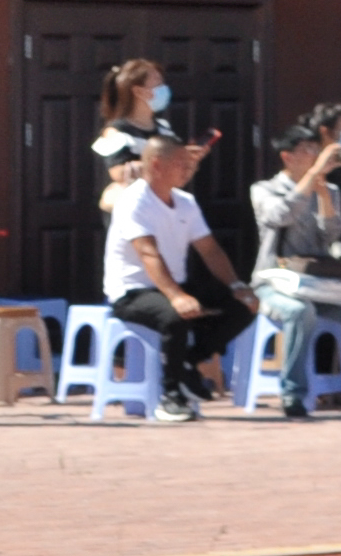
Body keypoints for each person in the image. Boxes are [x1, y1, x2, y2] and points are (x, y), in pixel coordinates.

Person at [247, 118, 341, 415]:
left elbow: (331, 235)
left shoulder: (330, 190)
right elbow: (279, 216)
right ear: (287, 156)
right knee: (301, 312)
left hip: (318, 283)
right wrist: (311, 178)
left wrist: (325, 195)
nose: (315, 155)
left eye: (317, 149)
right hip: (274, 283)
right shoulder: (265, 189)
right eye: (307, 150)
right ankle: (293, 394)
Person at [103, 124, 248, 413]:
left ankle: (189, 362)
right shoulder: (133, 201)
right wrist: (176, 296)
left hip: (174, 285)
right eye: (182, 164)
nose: (189, 170)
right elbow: (148, 254)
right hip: (131, 292)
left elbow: (210, 250)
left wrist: (236, 286)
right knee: (174, 317)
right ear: (156, 165)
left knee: (242, 306)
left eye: (190, 164)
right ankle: (171, 398)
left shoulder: (186, 202)